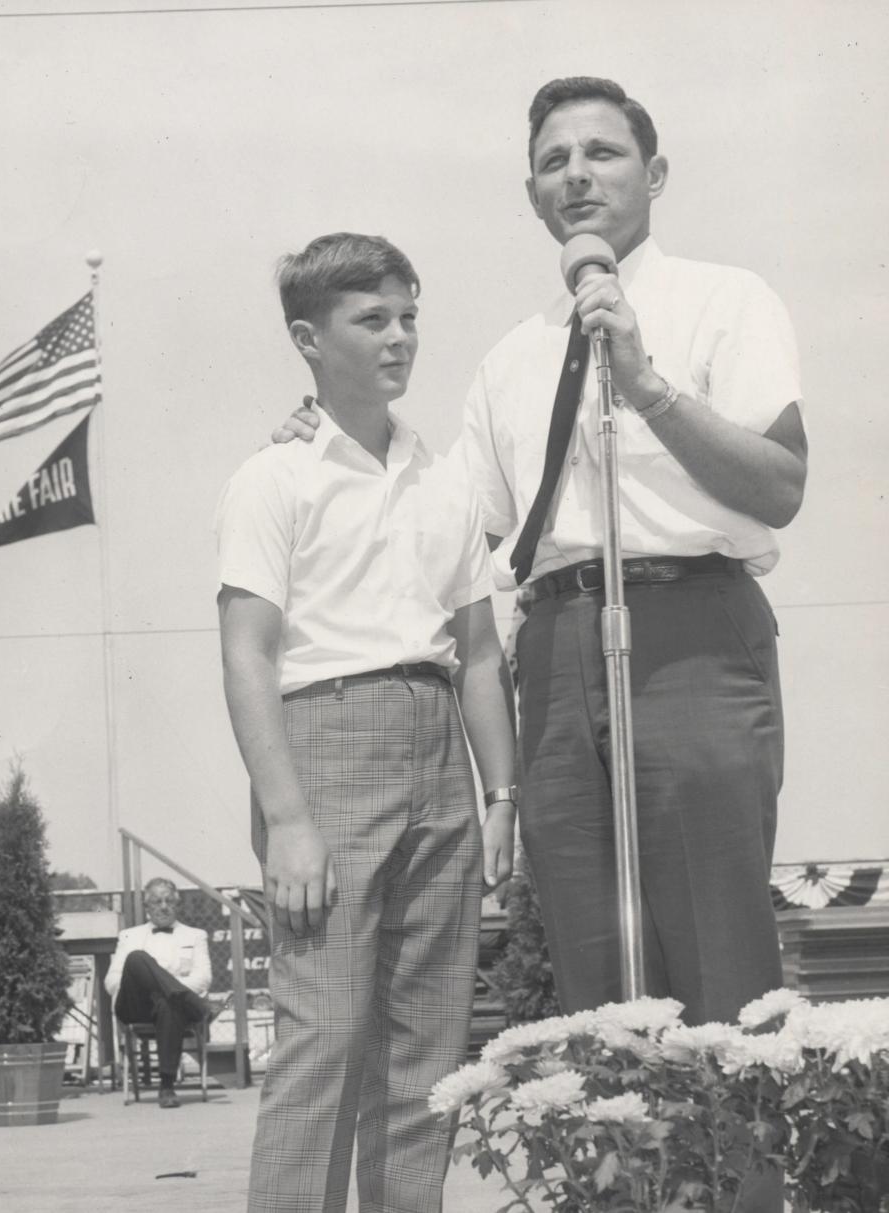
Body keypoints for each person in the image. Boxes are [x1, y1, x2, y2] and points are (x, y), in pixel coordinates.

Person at [273, 78, 807, 1028]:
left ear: (656, 172)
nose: (578, 176)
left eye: (602, 153)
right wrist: (332, 448)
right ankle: (618, 1173)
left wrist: (645, 383)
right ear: (533, 195)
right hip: (555, 648)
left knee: (716, 945)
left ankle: (736, 1178)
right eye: (554, 161)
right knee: (590, 951)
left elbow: (779, 484)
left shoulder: (725, 300)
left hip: (693, 627)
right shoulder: (512, 357)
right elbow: (451, 532)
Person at [216, 232, 516, 1213]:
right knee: (328, 1035)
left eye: (410, 316)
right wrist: (289, 816)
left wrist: (500, 790)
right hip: (328, 744)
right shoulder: (275, 479)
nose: (400, 338)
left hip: (439, 751)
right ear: (309, 337)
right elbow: (249, 653)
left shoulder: (445, 476)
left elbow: (477, 650)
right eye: (372, 319)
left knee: (427, 1043)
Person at [105, 876, 211, 1109]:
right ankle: (195, 1004)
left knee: (169, 1001)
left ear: (177, 904)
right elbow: (111, 981)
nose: (163, 906)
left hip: (172, 1009)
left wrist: (165, 988)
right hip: (136, 1006)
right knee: (136, 958)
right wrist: (144, 980)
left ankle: (166, 1086)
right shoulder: (129, 936)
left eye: (169, 901)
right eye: (156, 902)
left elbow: (203, 978)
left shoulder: (195, 935)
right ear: (147, 907)